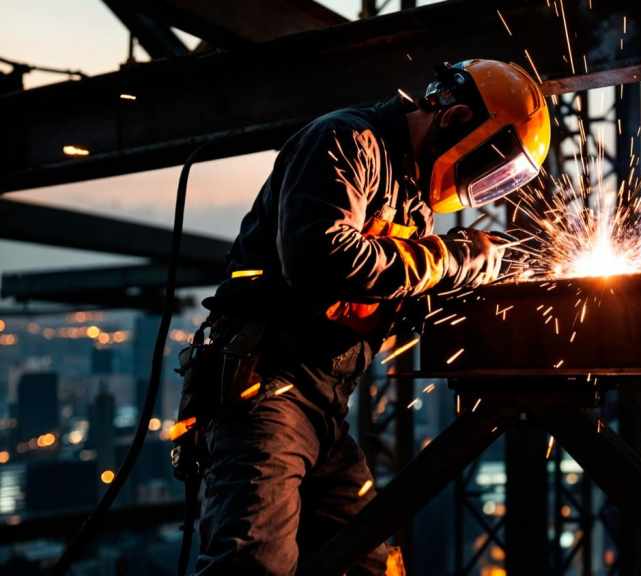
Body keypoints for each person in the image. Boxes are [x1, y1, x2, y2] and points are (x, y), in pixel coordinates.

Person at [183, 59, 550, 574]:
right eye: (483, 167)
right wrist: (452, 259)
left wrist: (489, 282)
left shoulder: (413, 201)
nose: (475, 185)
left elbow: (394, 287)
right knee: (254, 564)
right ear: (455, 119)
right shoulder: (347, 142)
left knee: (369, 564)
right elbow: (320, 259)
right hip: (263, 390)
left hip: (323, 409)